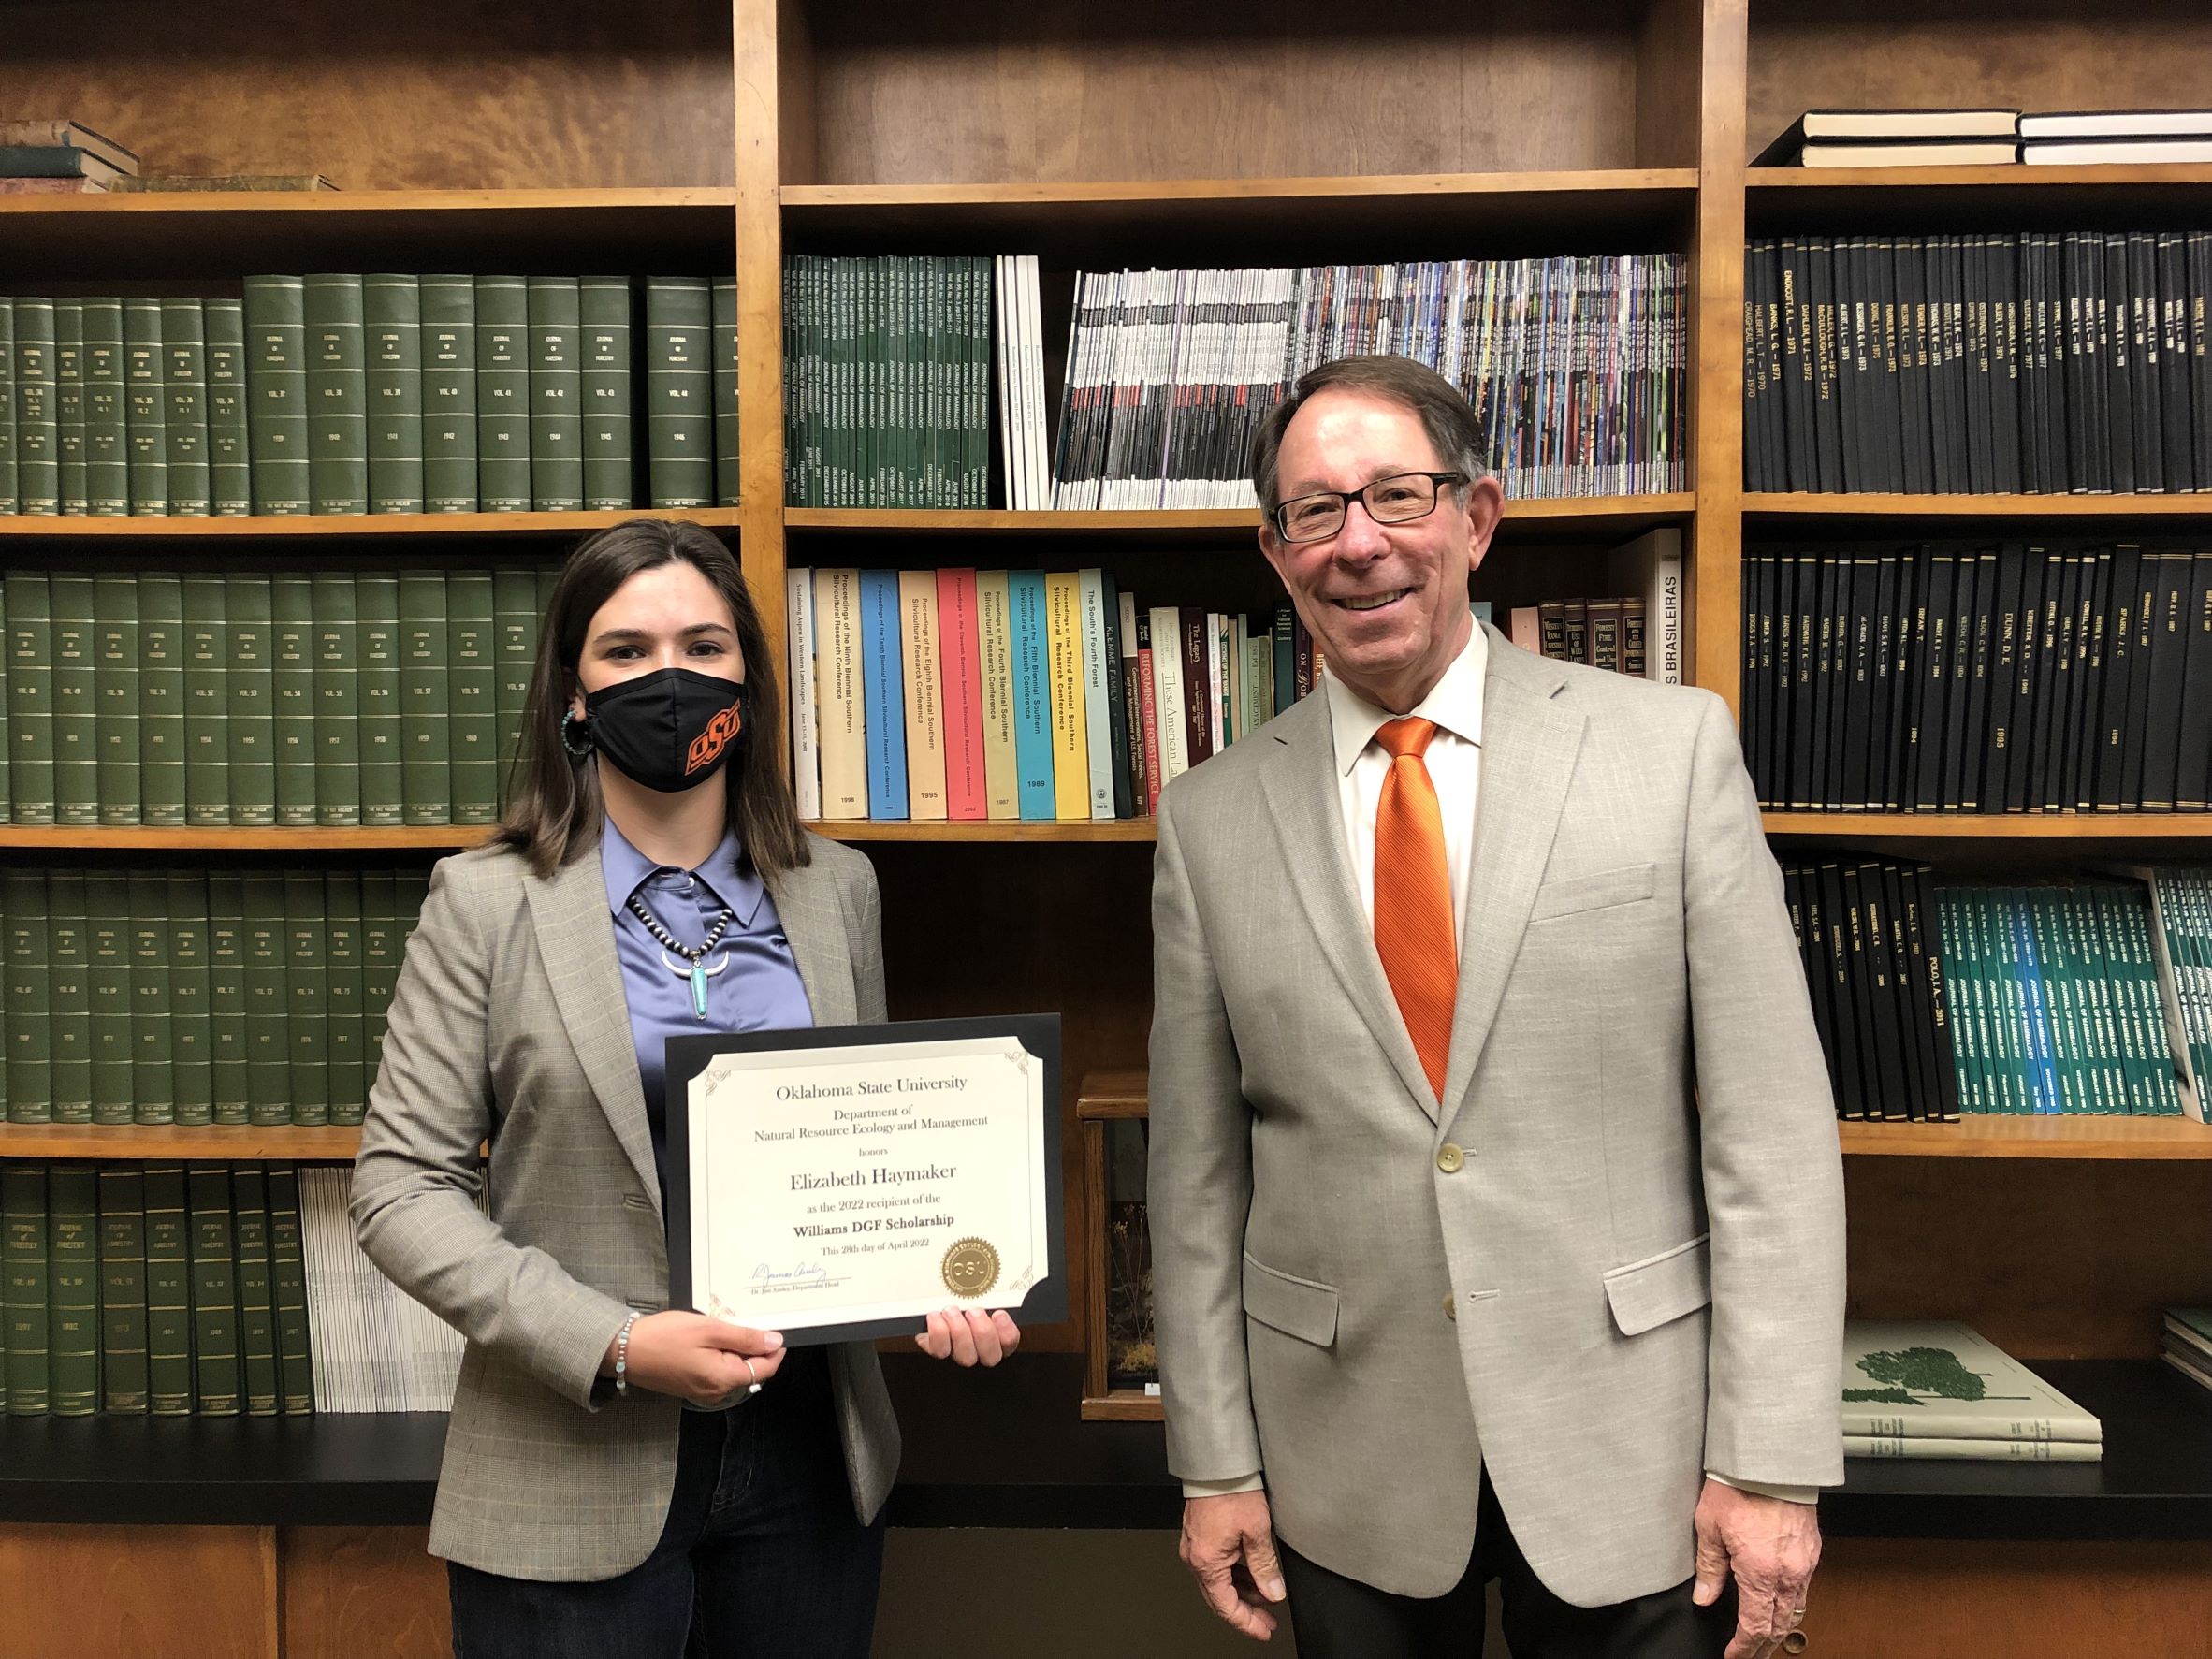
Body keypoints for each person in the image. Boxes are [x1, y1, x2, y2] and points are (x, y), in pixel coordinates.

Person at [1147, 355, 1845, 1659]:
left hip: (1637, 1450)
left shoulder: (1671, 753)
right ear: (1276, 550)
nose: (1359, 545)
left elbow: (1773, 1139)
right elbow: (1195, 1180)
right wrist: (1213, 1462)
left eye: (1396, 496)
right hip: (1341, 1458)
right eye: (1316, 511)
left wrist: (1772, 1462)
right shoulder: (1206, 821)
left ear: (1476, 518)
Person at [352, 517, 1019, 1658]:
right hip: (571, 1462)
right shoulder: (483, 902)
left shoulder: (836, 890)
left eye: (705, 647)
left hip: (811, 1459)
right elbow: (398, 1191)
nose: (670, 678)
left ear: (749, 683)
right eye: (626, 652)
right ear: (574, 693)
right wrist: (616, 1342)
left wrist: (953, 1274)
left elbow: (871, 1140)